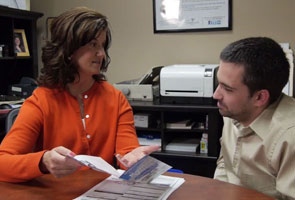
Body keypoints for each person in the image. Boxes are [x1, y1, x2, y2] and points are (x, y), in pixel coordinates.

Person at [0, 7, 159, 183]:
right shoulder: (41, 100)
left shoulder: (115, 98)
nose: (101, 54)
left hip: (101, 193)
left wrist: (133, 158)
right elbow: (3, 162)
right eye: (93, 45)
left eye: (102, 45)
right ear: (68, 50)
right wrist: (43, 161)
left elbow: (127, 151)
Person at [213, 37, 295, 199]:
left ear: (259, 98)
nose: (216, 95)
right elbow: (225, 166)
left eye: (227, 89)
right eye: (218, 83)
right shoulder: (233, 111)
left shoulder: (289, 136)